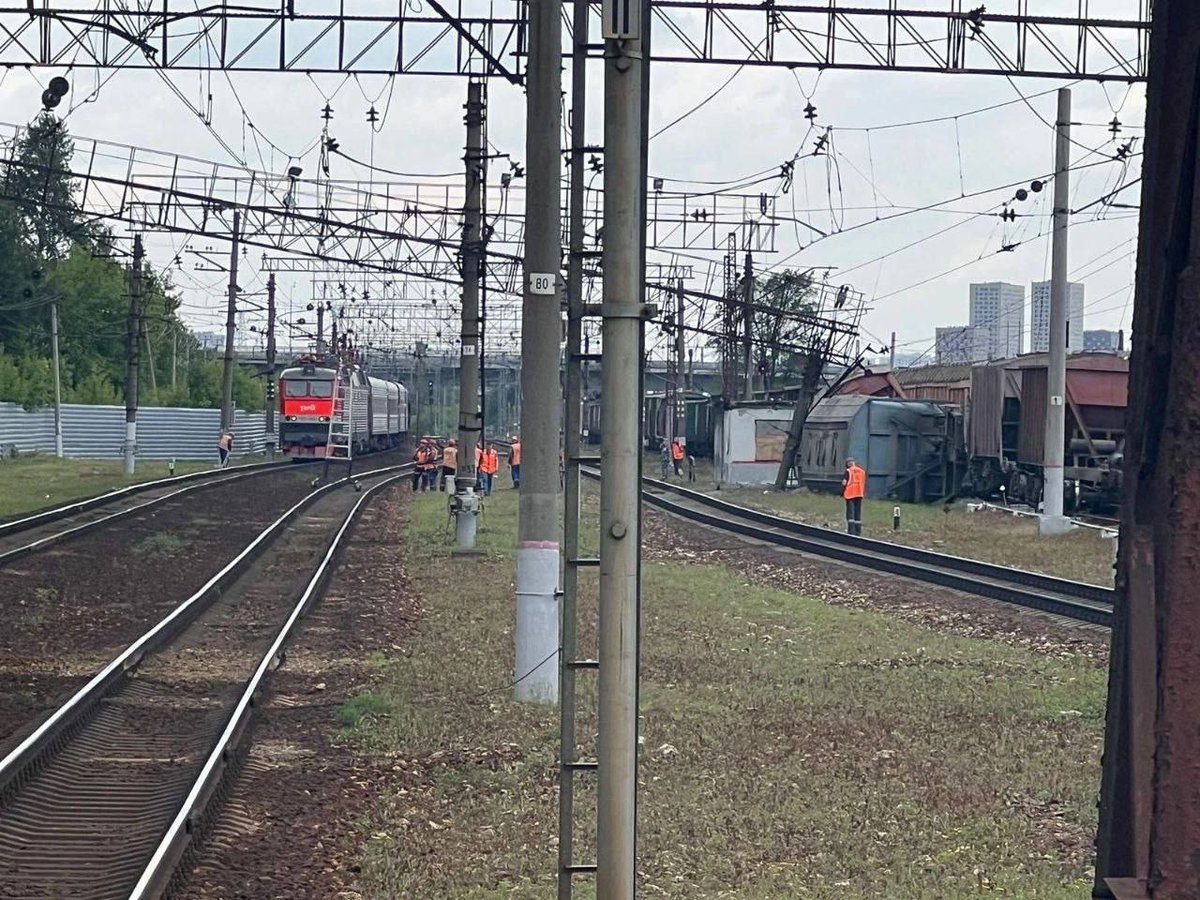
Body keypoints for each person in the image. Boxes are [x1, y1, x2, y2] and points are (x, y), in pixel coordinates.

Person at [842, 456, 867, 536]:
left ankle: (851, 531)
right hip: (859, 494)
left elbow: (844, 483)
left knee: (850, 513)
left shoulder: (848, 471)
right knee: (858, 513)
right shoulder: (862, 471)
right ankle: (858, 532)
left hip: (850, 494)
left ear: (848, 464)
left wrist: (841, 492)